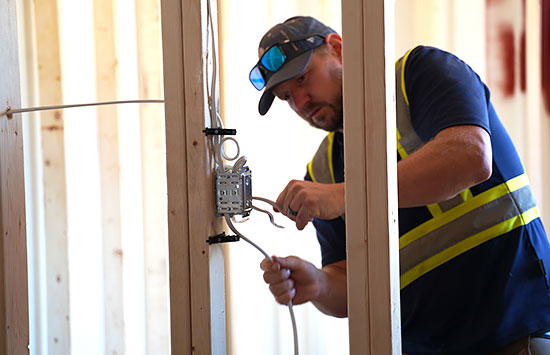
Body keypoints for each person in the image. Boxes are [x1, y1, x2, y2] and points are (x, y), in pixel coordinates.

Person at [248, 15, 550, 354]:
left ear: (338, 48)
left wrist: (347, 195)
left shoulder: (419, 73)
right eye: (286, 96)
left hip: (515, 332)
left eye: (303, 78)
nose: (300, 103)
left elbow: (470, 157)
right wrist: (317, 283)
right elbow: (350, 282)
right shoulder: (323, 170)